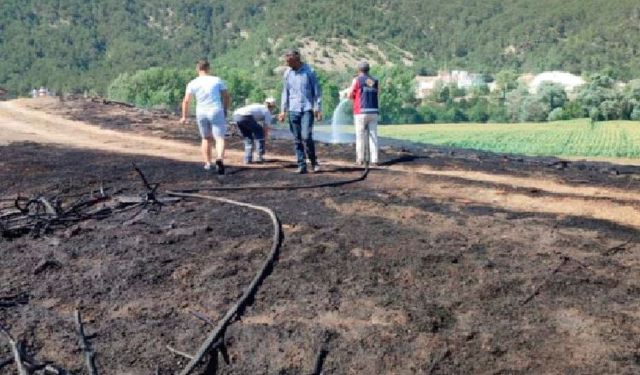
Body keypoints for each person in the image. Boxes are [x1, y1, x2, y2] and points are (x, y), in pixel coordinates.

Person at [180, 60, 231, 174]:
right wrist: (225, 109)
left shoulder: (193, 83)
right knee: (219, 138)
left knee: (206, 138)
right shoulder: (217, 80)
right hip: (216, 110)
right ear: (208, 68)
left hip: (201, 112)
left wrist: (184, 116)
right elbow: (226, 96)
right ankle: (220, 159)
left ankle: (208, 163)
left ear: (197, 69)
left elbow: (186, 101)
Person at [278, 49, 322, 174]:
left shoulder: (309, 71)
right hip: (293, 109)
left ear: (297, 60)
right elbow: (285, 93)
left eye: (289, 61)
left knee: (306, 137)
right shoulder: (287, 73)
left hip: (307, 108)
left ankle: (314, 163)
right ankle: (301, 165)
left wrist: (318, 108)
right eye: (286, 61)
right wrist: (283, 111)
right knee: (297, 139)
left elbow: (317, 92)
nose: (287, 64)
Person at [348, 61, 380, 166]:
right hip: (374, 111)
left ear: (359, 70)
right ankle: (375, 160)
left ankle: (360, 159)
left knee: (360, 136)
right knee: (373, 136)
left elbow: (350, 95)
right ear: (368, 69)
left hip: (360, 111)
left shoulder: (357, 80)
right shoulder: (375, 80)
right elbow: (377, 93)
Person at [232, 98, 277, 164]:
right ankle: (259, 156)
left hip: (236, 115)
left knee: (248, 137)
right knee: (260, 131)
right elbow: (266, 128)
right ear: (273, 106)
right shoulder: (267, 111)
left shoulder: (259, 106)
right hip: (246, 116)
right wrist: (264, 137)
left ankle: (248, 158)